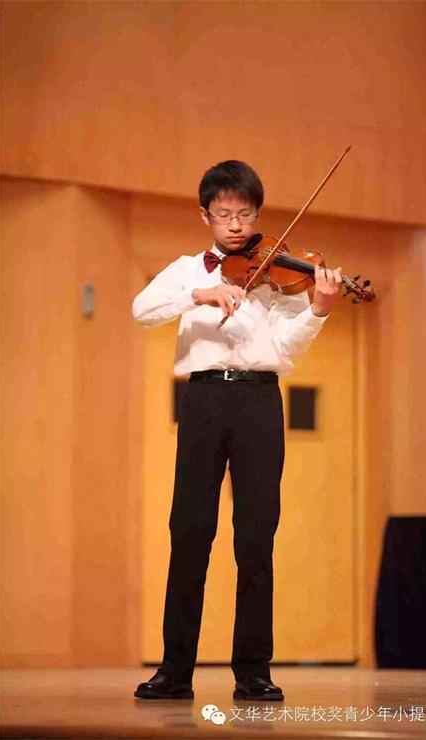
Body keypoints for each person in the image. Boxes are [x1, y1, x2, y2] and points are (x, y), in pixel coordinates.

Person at [132, 160, 342, 702]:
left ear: (257, 215)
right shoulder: (188, 269)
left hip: (259, 401)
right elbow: (142, 310)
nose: (235, 225)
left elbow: (287, 349)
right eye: (224, 214)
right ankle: (174, 671)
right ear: (205, 215)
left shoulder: (277, 274)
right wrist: (199, 295)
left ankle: (253, 672)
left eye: (245, 215)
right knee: (189, 532)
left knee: (255, 537)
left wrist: (317, 310)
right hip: (202, 399)